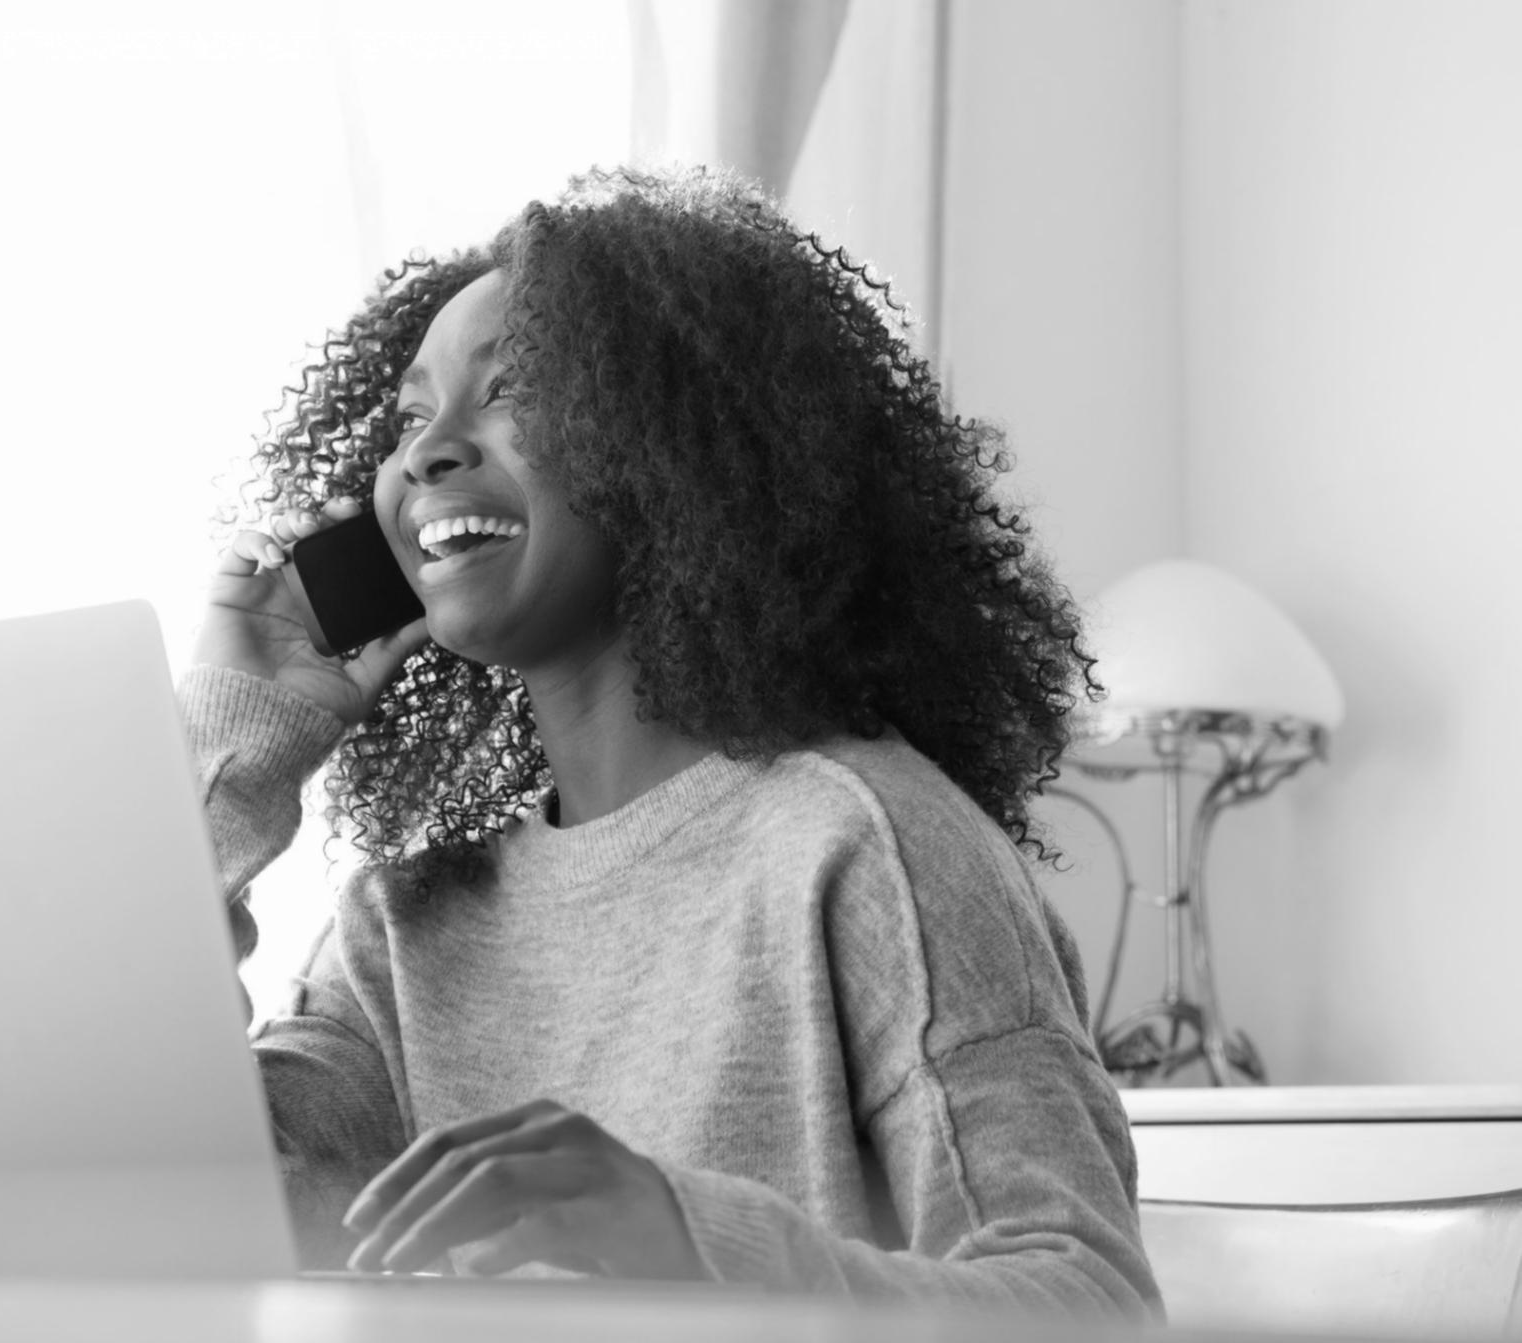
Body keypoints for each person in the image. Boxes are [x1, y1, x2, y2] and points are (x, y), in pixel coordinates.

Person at [183, 165, 1161, 1314]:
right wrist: (233, 751)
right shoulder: (404, 927)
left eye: (515, 390)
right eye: (408, 417)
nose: (426, 453)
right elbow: (166, 1205)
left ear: (681, 445)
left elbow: (1088, 1297)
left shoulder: (859, 843)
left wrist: (693, 1242)